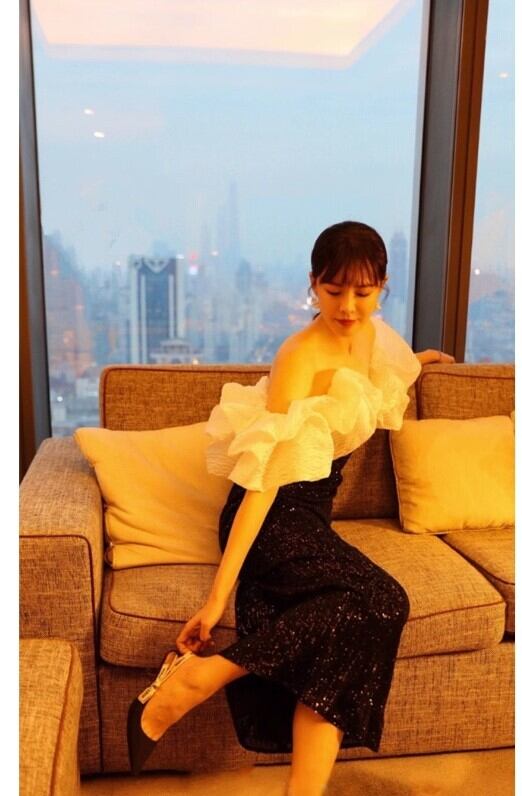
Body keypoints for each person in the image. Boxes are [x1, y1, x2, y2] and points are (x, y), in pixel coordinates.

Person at [127, 220, 456, 795]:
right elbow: (263, 483)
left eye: (363, 292)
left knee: (343, 640)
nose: (348, 307)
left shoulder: (374, 337)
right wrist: (217, 598)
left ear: (382, 286)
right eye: (333, 291)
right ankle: (201, 678)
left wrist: (424, 359)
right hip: (275, 516)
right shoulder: (299, 357)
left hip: (312, 518)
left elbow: (389, 371)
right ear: (312, 284)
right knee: (384, 599)